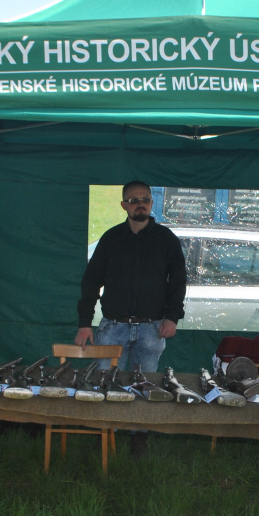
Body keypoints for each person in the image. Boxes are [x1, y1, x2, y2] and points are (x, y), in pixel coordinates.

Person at [77, 181, 187, 453]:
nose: (140, 204)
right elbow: (91, 281)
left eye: (145, 199)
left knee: (145, 385)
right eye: (134, 200)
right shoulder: (111, 238)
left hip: (152, 328)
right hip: (113, 327)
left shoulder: (166, 239)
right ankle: (106, 435)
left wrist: (172, 317)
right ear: (124, 205)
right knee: (106, 383)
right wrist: (84, 323)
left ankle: (139, 437)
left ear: (151, 203)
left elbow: (178, 281)